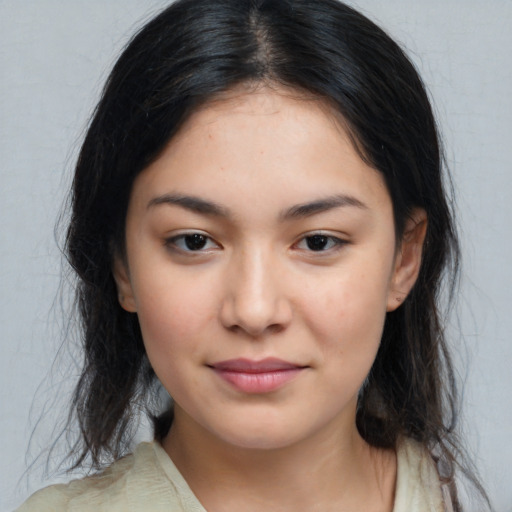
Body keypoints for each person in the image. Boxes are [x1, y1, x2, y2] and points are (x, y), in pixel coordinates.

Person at [17, 0, 490, 510]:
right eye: (194, 241)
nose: (255, 310)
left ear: (404, 259)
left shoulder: (451, 494)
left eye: (318, 241)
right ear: (122, 267)